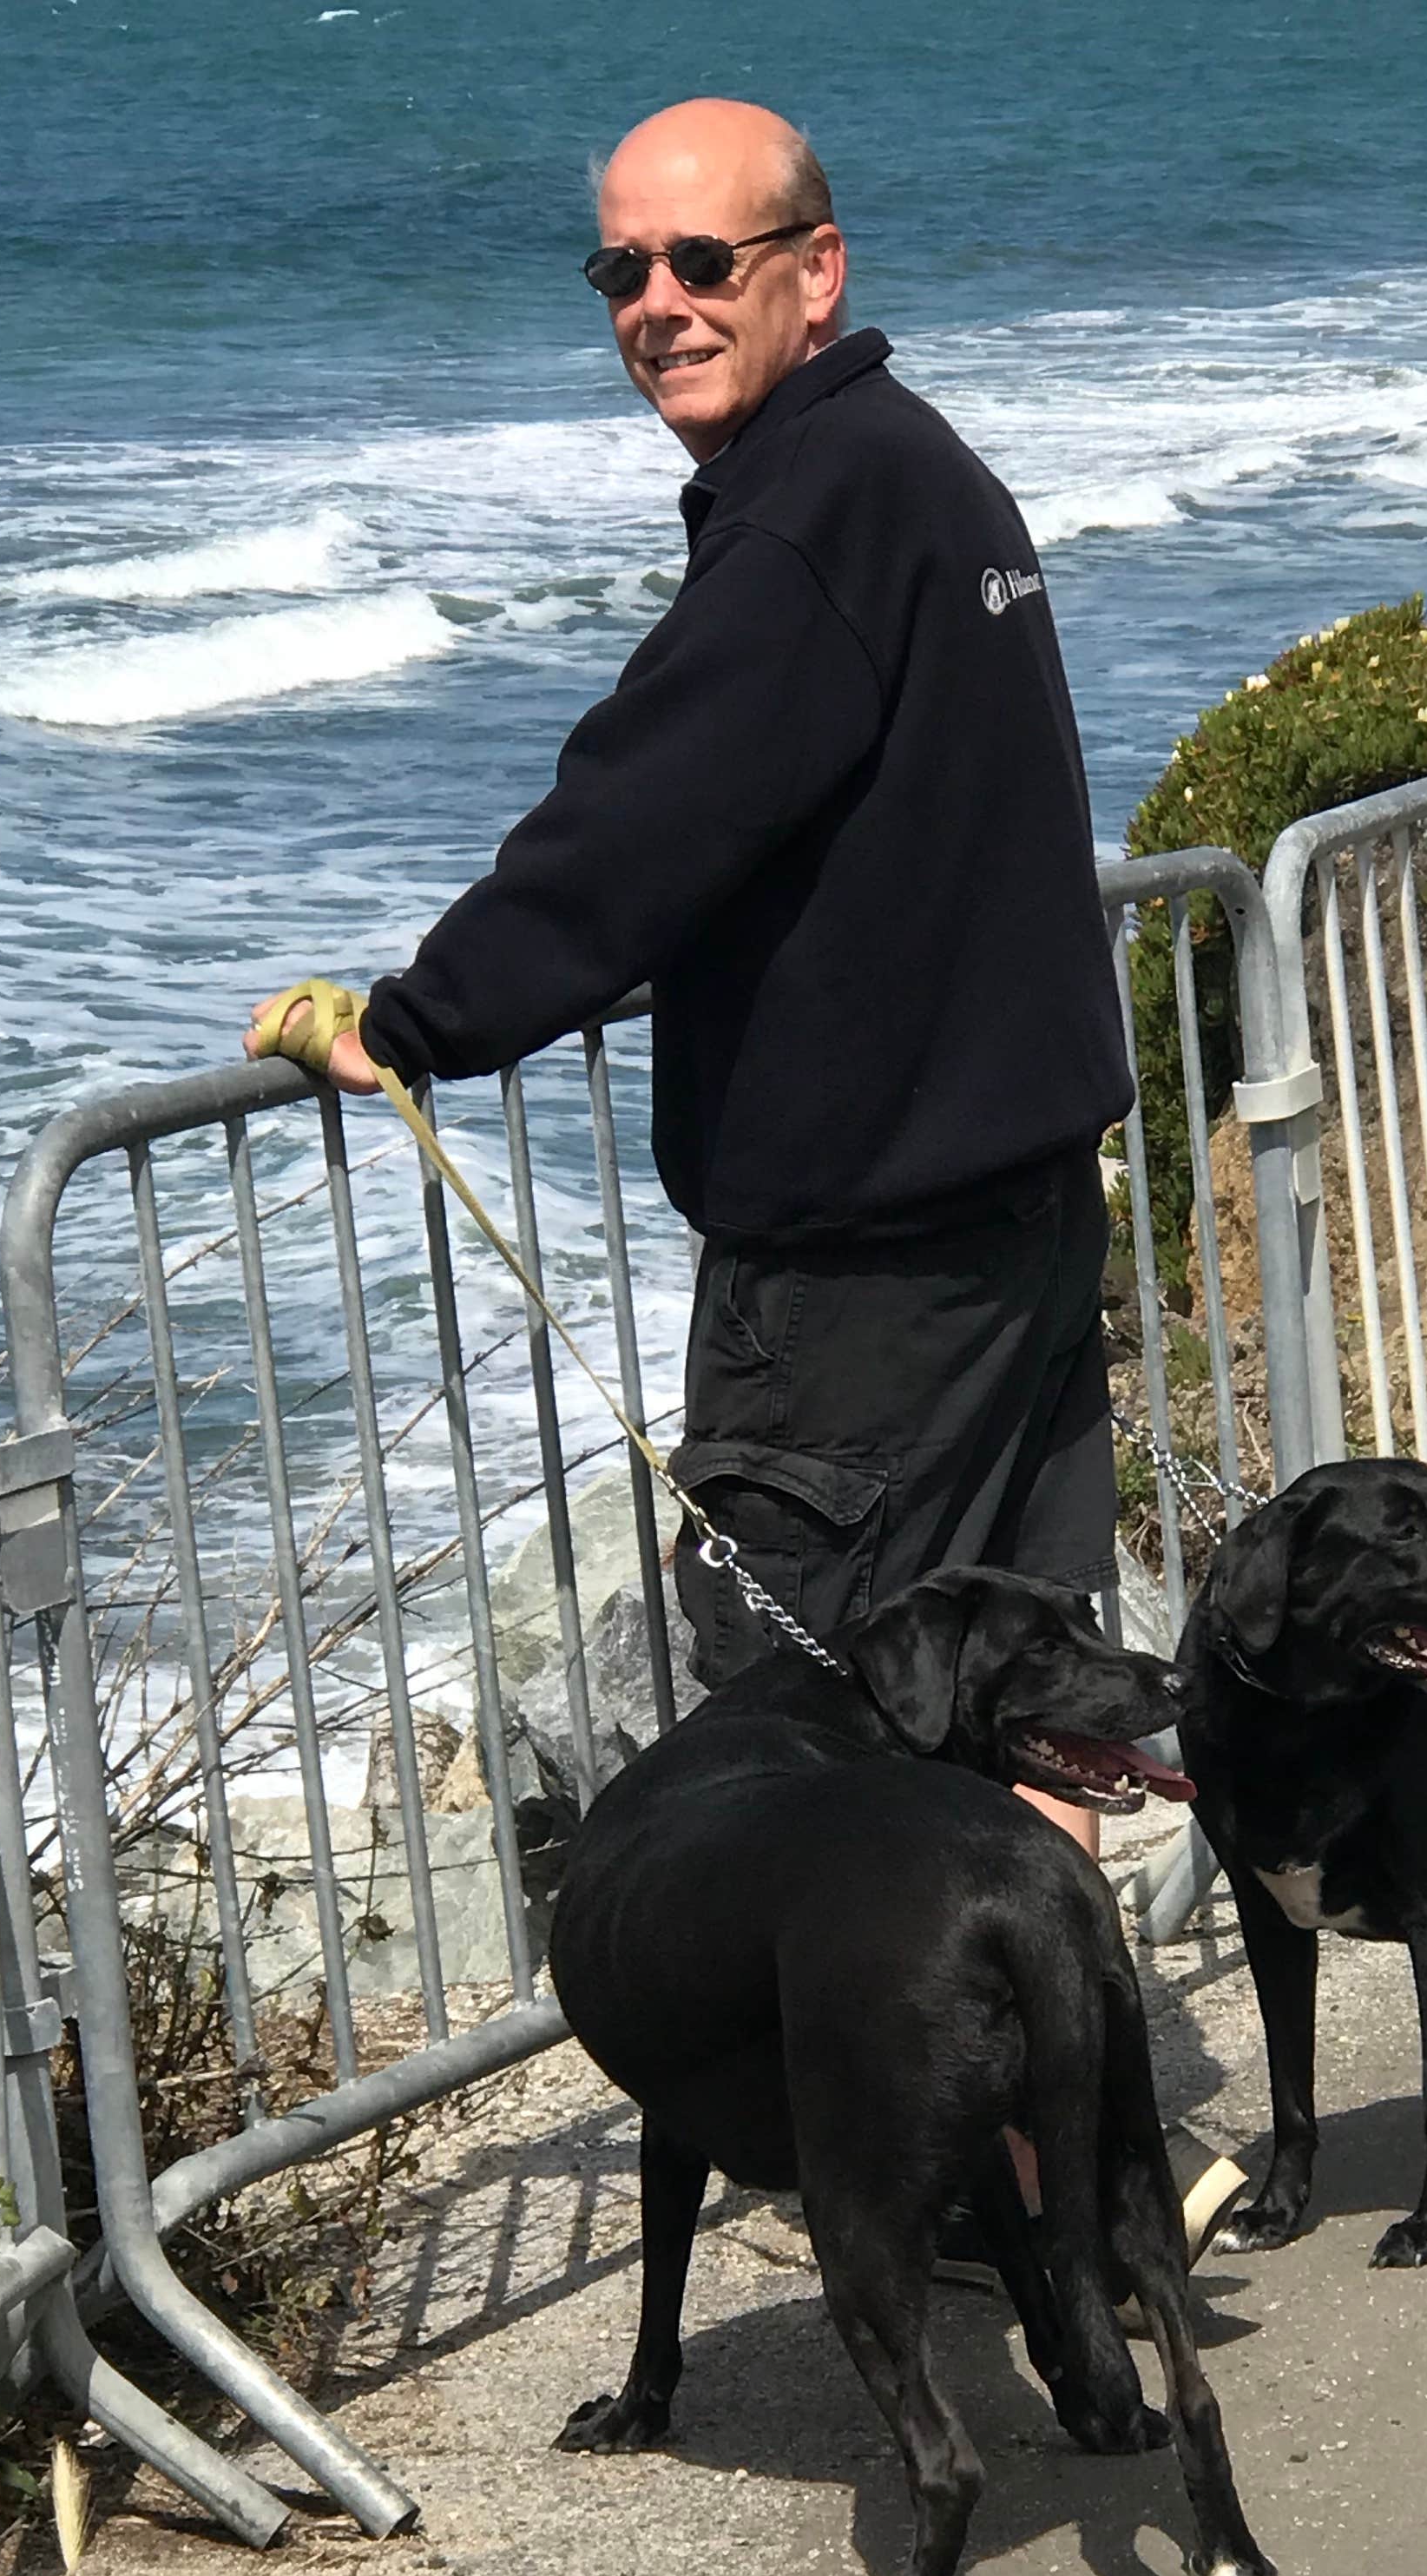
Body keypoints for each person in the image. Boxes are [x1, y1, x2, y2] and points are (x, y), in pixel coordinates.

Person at [247, 96, 1131, 1848]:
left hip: (865, 1287)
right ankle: (1067, 2119)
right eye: (620, 267)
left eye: (703, 259)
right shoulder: (917, 469)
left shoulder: (812, 518)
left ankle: (909, 2127)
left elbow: (635, 822)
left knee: (816, 1757)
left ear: (816, 269)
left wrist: (413, 1026)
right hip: (1010, 1222)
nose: (657, 300)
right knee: (1029, 1726)